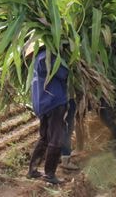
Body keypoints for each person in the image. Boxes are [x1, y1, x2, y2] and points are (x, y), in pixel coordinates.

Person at [26, 45, 69, 184]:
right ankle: (50, 174)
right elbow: (64, 74)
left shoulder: (37, 60)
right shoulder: (48, 57)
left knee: (44, 137)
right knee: (56, 138)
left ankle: (32, 170)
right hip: (54, 102)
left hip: (42, 104)